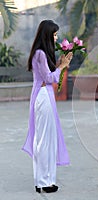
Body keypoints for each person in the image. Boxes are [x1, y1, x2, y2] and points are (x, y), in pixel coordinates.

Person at [22, 20, 73, 193]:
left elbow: (50, 74)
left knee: (48, 139)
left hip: (46, 96)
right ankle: (43, 182)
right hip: (43, 96)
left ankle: (45, 180)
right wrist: (63, 66)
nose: (56, 37)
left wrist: (60, 64)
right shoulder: (40, 54)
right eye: (54, 34)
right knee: (44, 140)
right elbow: (49, 78)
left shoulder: (42, 54)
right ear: (47, 35)